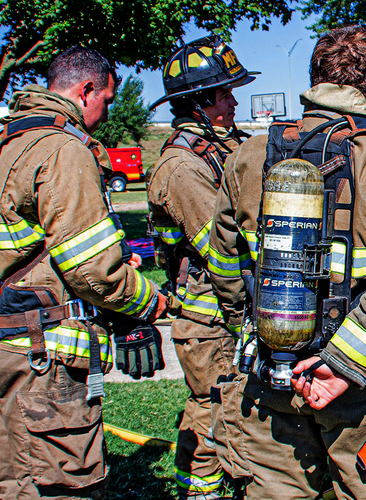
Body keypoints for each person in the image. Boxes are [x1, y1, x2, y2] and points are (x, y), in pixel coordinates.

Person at [207, 26, 366, 499]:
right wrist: (339, 366)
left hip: (271, 373)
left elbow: (226, 265)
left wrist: (255, 330)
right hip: (361, 385)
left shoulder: (249, 155)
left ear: (315, 79)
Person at [0, 46, 169, 499]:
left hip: (1, 350)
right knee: (67, 487)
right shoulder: (63, 149)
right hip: (48, 362)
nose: (106, 111)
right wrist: (150, 302)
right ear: (86, 89)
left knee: (19, 485)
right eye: (108, 99)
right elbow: (92, 270)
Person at [146, 36, 255, 499]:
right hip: (208, 315)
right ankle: (201, 489)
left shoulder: (226, 148)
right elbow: (220, 243)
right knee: (211, 408)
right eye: (224, 93)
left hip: (232, 304)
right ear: (197, 103)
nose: (233, 101)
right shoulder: (183, 167)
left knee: (237, 404)